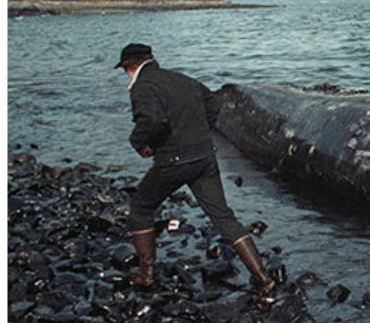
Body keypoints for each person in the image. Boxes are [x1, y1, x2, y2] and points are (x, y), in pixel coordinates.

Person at [115, 43, 277, 293]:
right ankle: (263, 277)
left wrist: (140, 143)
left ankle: (146, 273)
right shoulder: (184, 79)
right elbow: (213, 105)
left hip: (173, 161)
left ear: (129, 66)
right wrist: (199, 134)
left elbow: (153, 120)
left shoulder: (142, 86)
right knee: (223, 216)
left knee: (140, 207)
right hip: (205, 157)